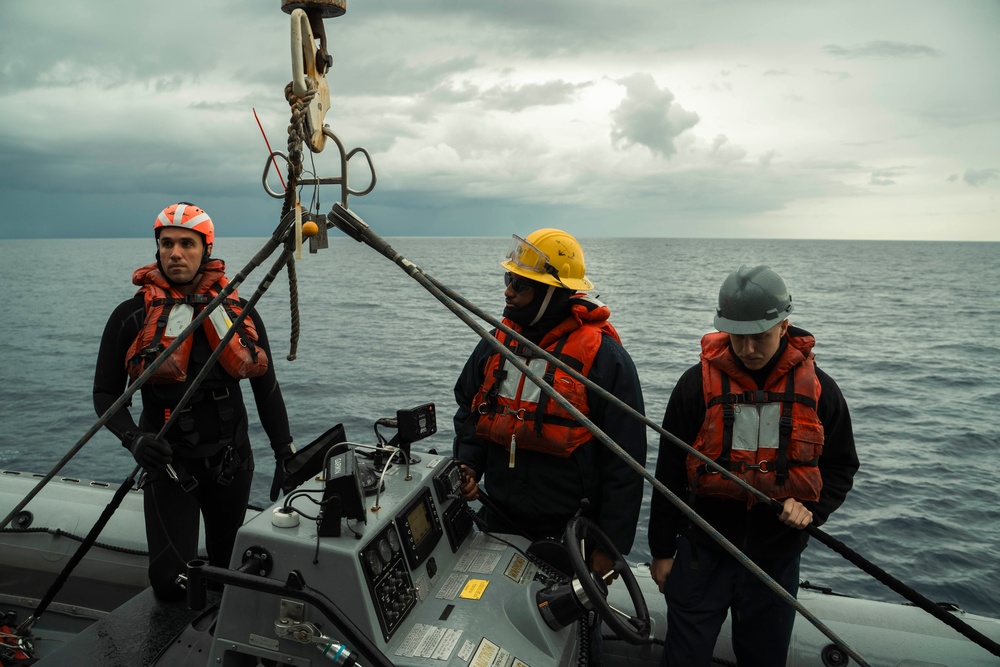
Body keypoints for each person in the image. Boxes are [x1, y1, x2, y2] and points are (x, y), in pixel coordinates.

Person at [648, 265, 859, 667]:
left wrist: (812, 509)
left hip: (775, 560)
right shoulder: (695, 386)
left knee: (764, 658)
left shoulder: (820, 391)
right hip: (701, 552)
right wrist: (661, 550)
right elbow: (670, 472)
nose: (747, 349)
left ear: (784, 326)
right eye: (737, 337)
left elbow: (841, 466)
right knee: (683, 657)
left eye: (758, 337)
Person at [93, 202, 295, 601]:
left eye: (187, 243)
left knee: (227, 570)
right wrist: (133, 439)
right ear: (157, 250)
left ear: (206, 249)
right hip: (169, 466)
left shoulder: (237, 313)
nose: (175, 253)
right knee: (169, 582)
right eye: (167, 243)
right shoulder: (131, 316)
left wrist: (285, 451)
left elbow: (266, 388)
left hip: (231, 463)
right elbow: (104, 394)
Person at [453, 228, 647, 579]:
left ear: (553, 293)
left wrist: (609, 548)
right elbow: (472, 408)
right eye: (509, 278)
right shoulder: (497, 344)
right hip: (497, 518)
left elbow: (626, 462)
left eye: (521, 285)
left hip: (572, 534)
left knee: (576, 630)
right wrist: (467, 465)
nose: (508, 291)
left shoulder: (604, 359)